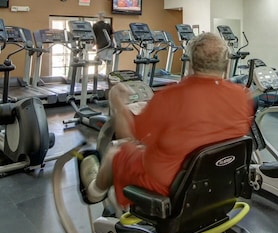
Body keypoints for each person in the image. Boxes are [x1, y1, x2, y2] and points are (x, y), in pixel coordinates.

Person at [80, 32, 253, 208]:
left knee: (115, 151)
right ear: (226, 64)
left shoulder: (170, 96)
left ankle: (94, 193)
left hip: (171, 186)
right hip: (220, 181)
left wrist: (118, 103)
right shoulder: (241, 95)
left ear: (191, 63)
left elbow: (128, 136)